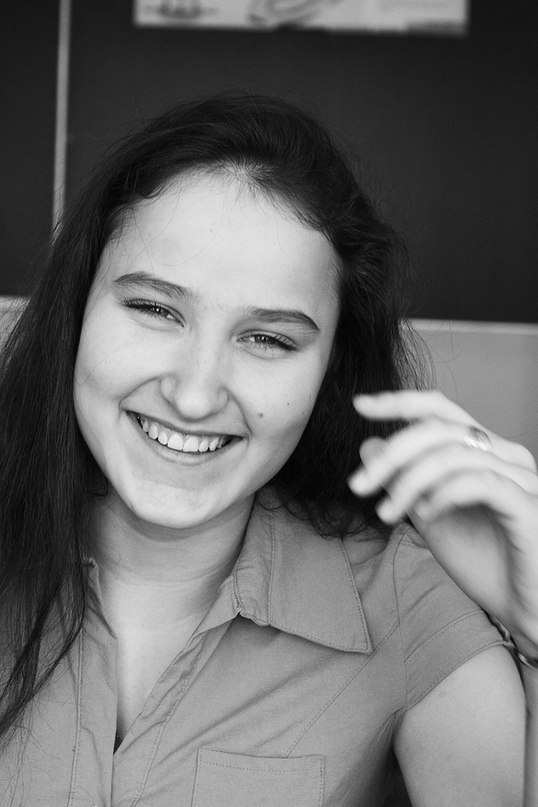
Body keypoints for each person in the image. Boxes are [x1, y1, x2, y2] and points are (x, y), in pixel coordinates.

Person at [0, 93, 536, 807]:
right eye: (155, 309)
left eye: (268, 339)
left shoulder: (404, 599)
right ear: (78, 309)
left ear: (329, 370)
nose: (195, 395)